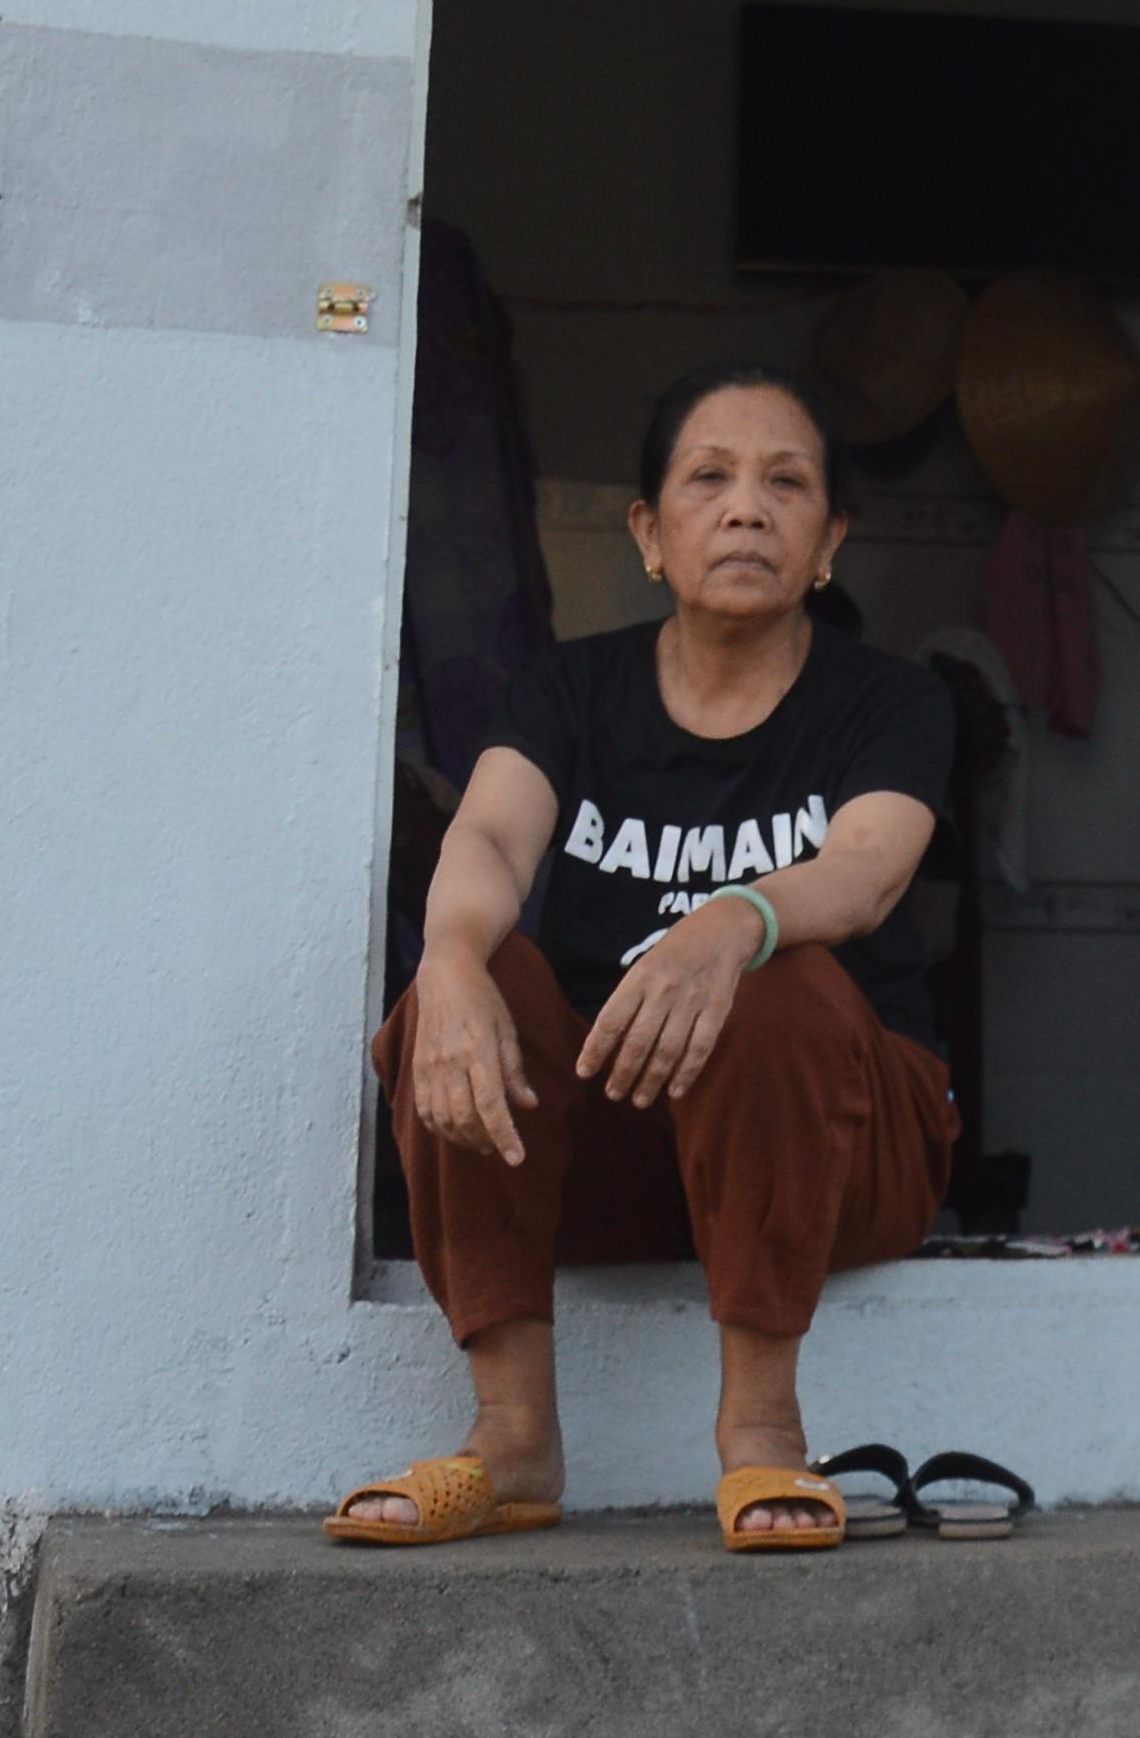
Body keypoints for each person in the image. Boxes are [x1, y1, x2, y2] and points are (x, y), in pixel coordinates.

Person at [332, 362, 961, 1550]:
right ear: (649, 532)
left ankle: (763, 1430)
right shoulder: (569, 690)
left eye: (786, 484)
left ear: (830, 539)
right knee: (467, 984)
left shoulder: (890, 702)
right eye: (708, 478)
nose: (746, 509)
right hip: (624, 1151)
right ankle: (513, 1438)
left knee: (772, 972)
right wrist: (450, 959)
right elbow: (489, 839)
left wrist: (729, 923)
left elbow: (867, 870)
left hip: (841, 1152)